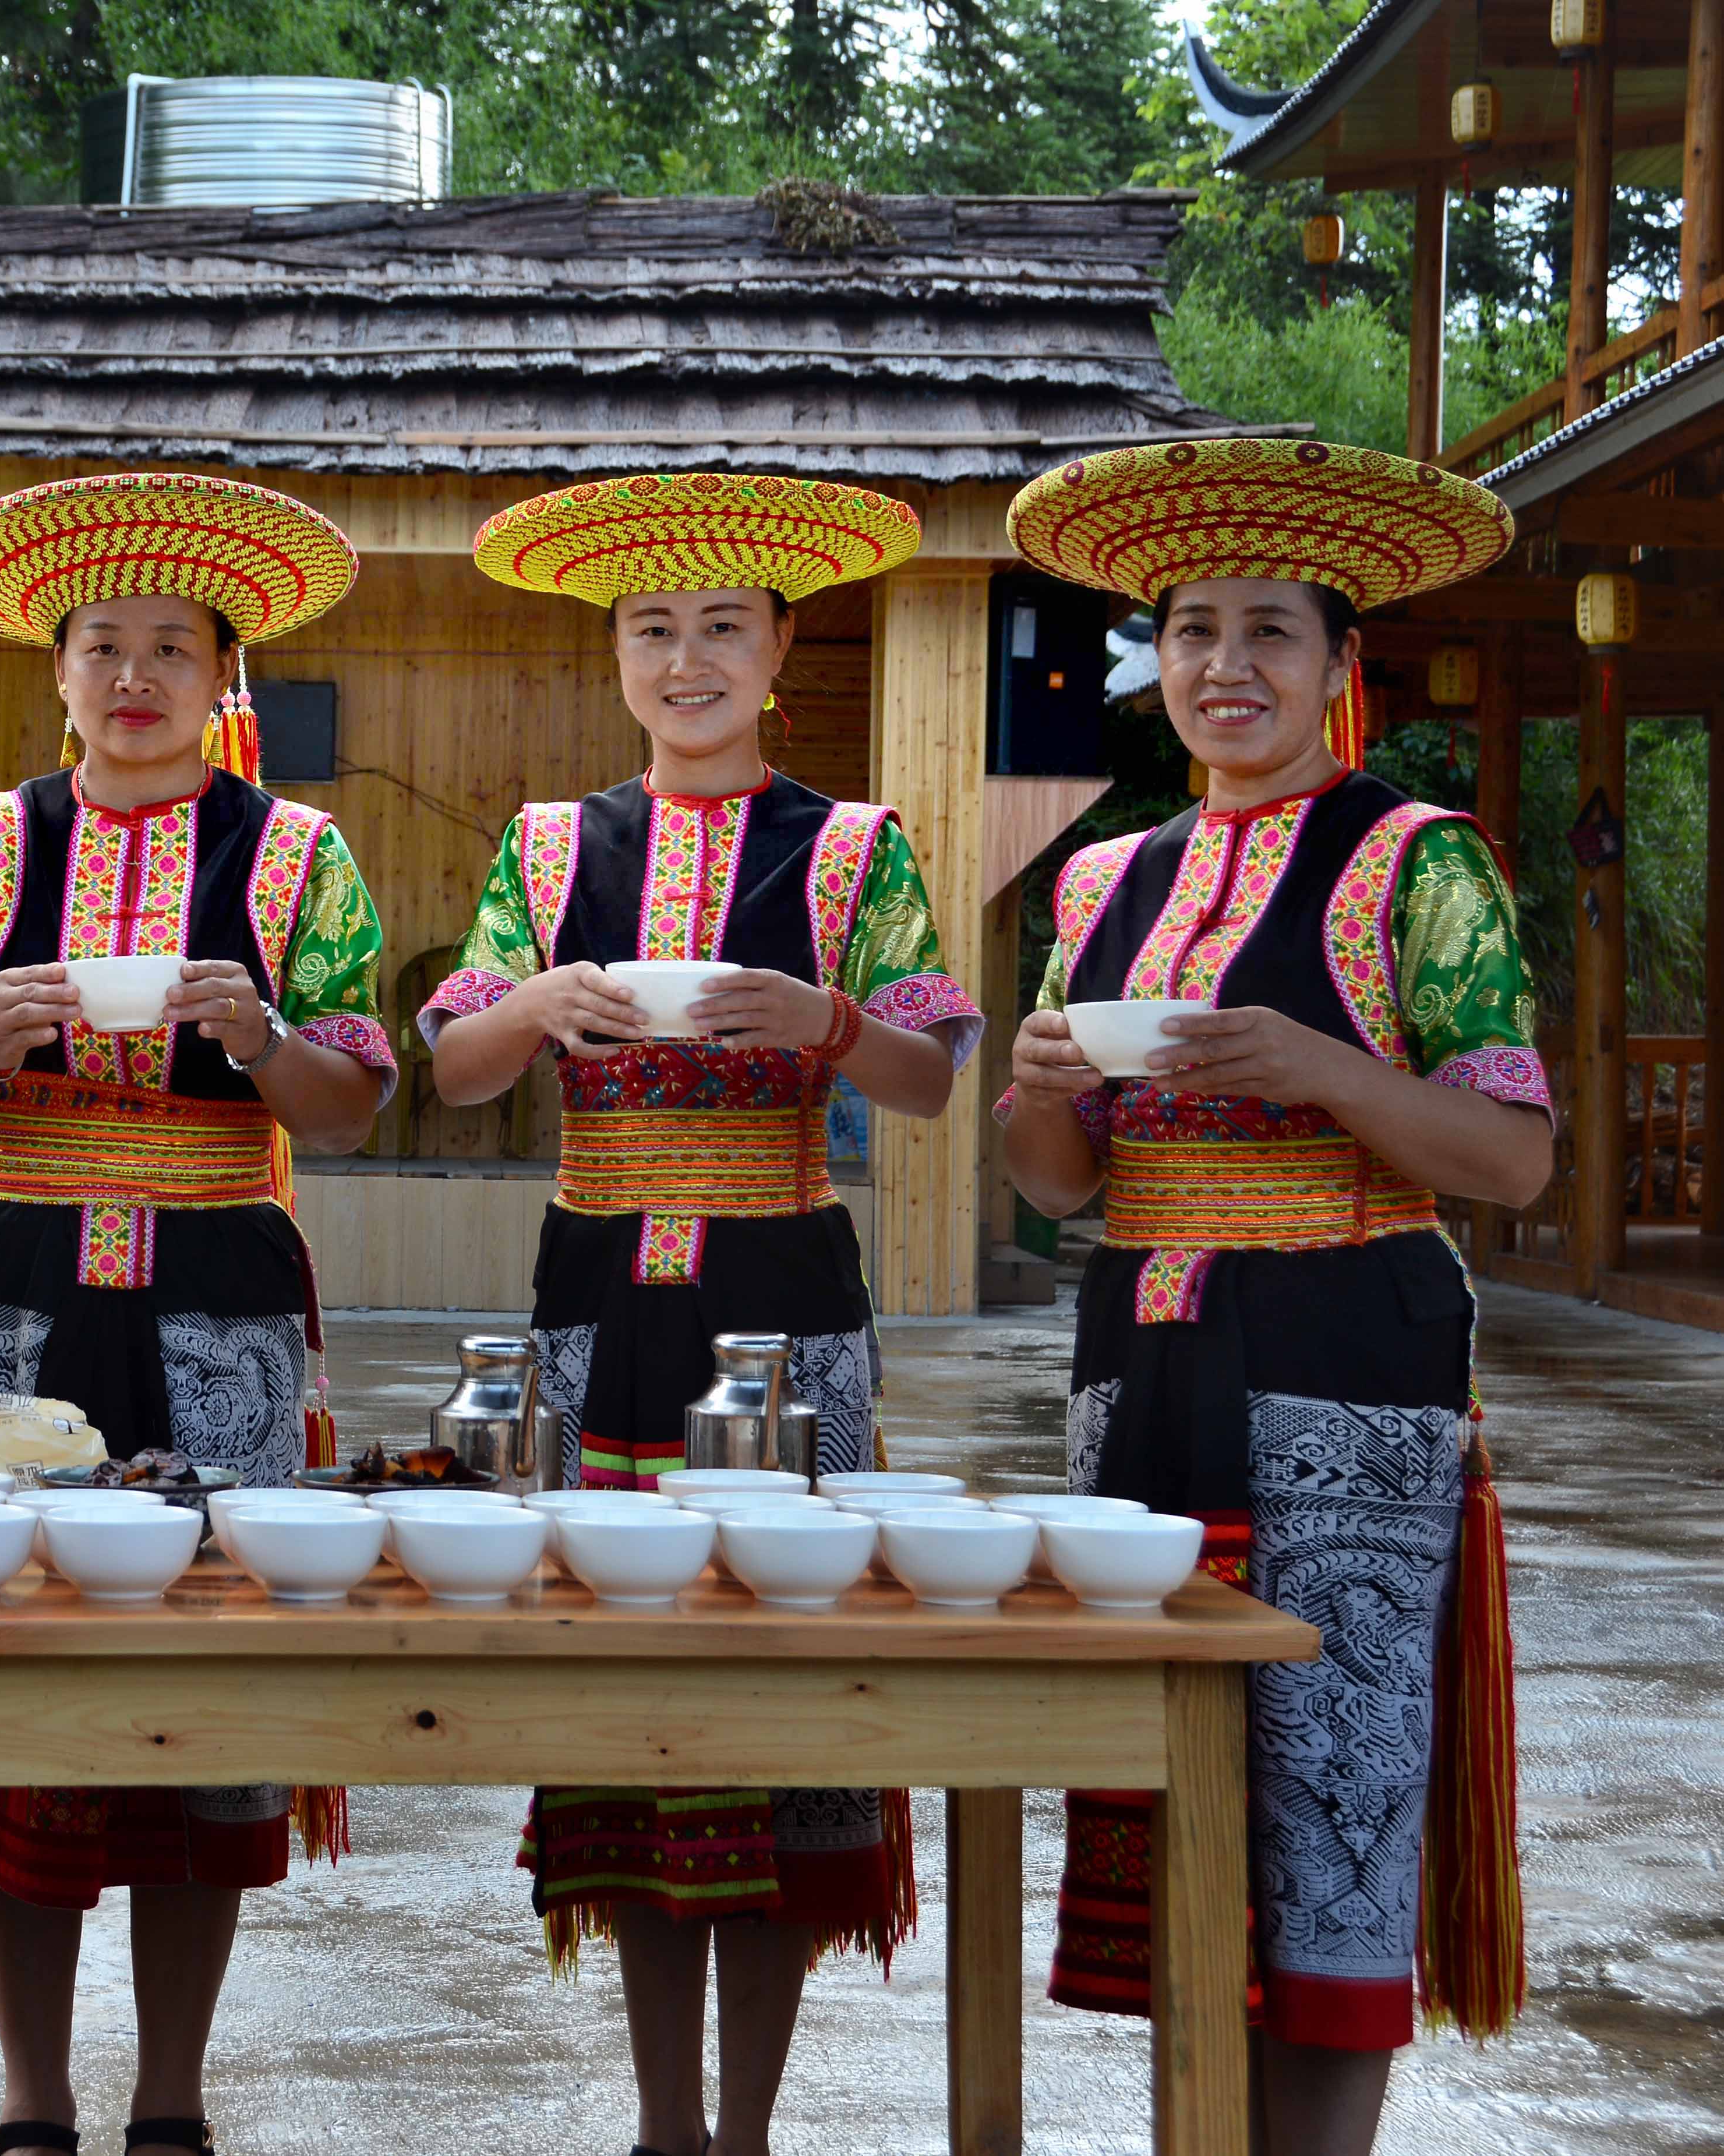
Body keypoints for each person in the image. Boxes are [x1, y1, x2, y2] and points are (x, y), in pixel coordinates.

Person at [422, 473, 982, 2156]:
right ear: (616, 657)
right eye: (655, 631)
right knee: (630, 1705)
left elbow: (935, 1077)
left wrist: (825, 1024)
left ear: (781, 648)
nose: (689, 662)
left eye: (724, 628)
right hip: (596, 1292)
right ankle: (666, 2129)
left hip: (781, 1292)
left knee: (780, 1694)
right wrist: (533, 1003)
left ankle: (746, 2133)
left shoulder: (853, 847)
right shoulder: (549, 846)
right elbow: (454, 1073)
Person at [999, 439, 1546, 2156]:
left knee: (1331, 1806)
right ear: (1155, 661)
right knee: (1167, 1792)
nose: (1226, 667)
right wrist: (1036, 1090)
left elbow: (1515, 1156)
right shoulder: (1106, 879)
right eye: (1193, 632)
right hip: (1143, 1353)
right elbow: (1059, 1184)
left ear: (1337, 663)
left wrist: (1320, 1066)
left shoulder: (1421, 862)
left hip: (1347, 1360)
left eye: (1270, 633)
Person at [0, 472, 395, 2156]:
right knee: (7, 1672)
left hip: (218, 1277)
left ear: (224, 675)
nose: (136, 675)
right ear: (59, 671)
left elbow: (356, 1105)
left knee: (205, 1677)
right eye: (104, 645)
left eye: (173, 647)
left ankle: (174, 2097)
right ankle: (33, 2098)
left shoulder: (298, 855)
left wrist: (263, 1044)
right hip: (9, 1277)